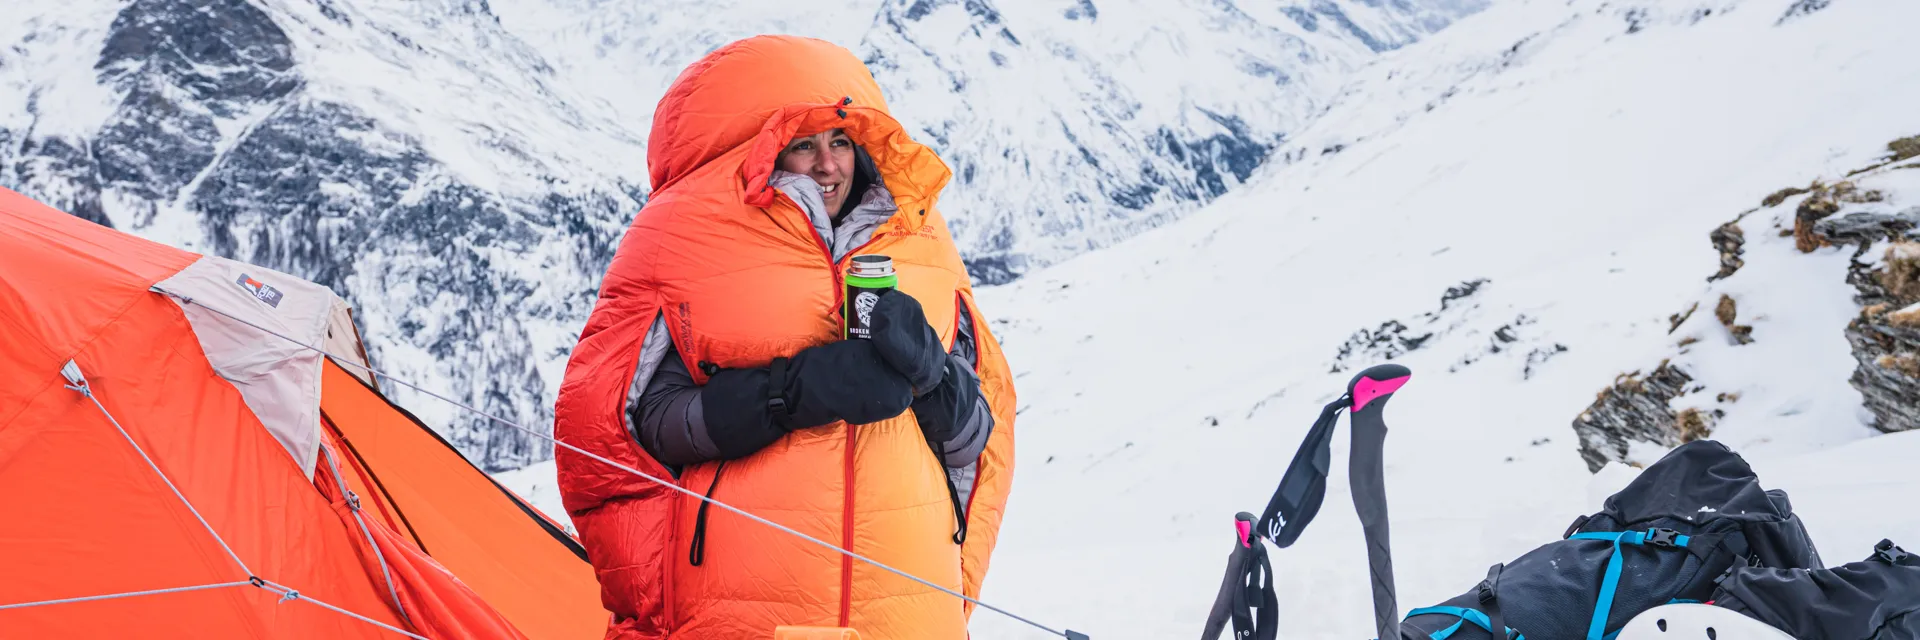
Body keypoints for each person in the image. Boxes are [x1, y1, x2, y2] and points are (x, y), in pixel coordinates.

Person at [552, 35, 1017, 640]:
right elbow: (624, 428)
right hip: (737, 612)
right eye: (803, 145)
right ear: (761, 150)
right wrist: (790, 394)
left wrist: (933, 378)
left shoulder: (921, 240)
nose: (828, 165)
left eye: (842, 141)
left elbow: (977, 445)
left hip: (907, 610)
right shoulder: (681, 240)